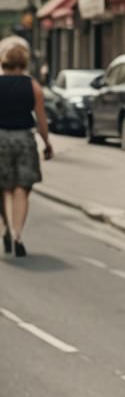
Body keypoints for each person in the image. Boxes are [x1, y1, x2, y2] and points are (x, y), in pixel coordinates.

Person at [0, 38, 53, 257]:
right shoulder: (33, 87)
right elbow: (41, 121)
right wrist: (47, 143)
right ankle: (17, 233)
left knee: (2, 188)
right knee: (22, 187)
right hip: (24, 139)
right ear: (24, 62)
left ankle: (4, 228)